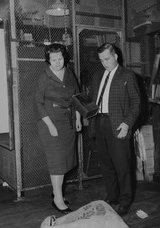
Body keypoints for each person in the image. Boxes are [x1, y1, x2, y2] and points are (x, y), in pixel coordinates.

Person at [88, 43, 141, 216]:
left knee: (123, 166)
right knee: (106, 164)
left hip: (118, 125)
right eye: (101, 60)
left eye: (107, 58)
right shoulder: (97, 76)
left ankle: (125, 201)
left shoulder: (127, 75)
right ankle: (113, 196)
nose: (104, 63)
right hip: (100, 123)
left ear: (116, 56)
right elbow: (93, 101)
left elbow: (136, 103)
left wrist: (127, 123)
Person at [34, 43, 82, 214]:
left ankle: (57, 194)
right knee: (57, 163)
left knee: (66, 161)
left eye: (60, 58)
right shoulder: (44, 77)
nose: (57, 62)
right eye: (53, 60)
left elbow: (76, 97)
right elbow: (38, 104)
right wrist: (50, 126)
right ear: (48, 60)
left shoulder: (69, 73)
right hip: (50, 122)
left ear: (64, 57)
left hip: (67, 121)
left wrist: (77, 118)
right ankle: (58, 199)